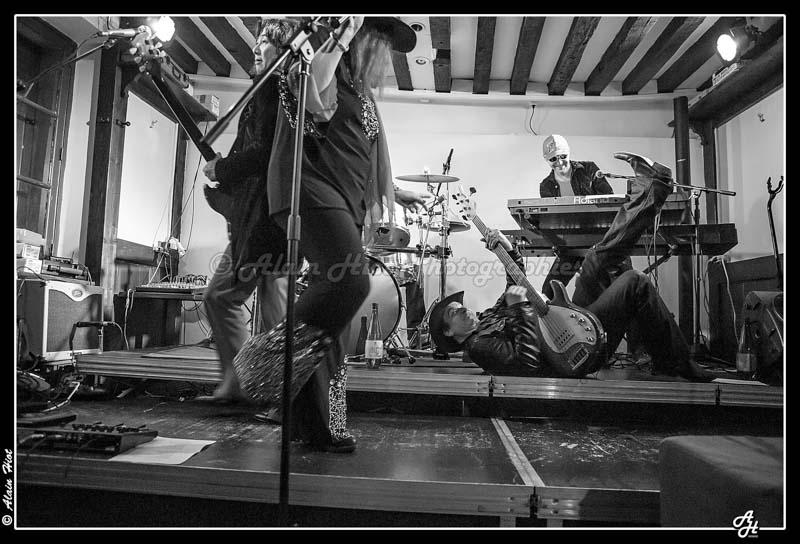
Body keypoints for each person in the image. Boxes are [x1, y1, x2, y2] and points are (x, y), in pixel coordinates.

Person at [233, 17, 418, 453]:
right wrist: (342, 34)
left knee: (334, 322)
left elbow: (357, 150)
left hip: (344, 200)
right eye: (380, 41)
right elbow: (314, 100)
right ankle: (266, 358)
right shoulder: (318, 62)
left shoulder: (359, 90)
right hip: (311, 189)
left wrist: (396, 191)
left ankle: (318, 424)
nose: (384, 54)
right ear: (362, 38)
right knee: (351, 284)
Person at [429, 152, 713, 383]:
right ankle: (679, 364)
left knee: (595, 259)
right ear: (450, 334)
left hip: (568, 323)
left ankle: (652, 189)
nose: (462, 308)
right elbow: (527, 364)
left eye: (458, 306)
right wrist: (518, 310)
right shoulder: (479, 346)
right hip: (573, 352)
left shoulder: (489, 316)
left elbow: (515, 282)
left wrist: (508, 248)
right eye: (453, 312)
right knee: (634, 281)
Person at [200, 20, 297, 404]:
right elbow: (255, 153)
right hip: (262, 218)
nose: (257, 47)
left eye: (267, 41)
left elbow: (267, 153)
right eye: (257, 41)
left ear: (285, 49)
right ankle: (252, 385)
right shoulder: (269, 90)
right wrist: (226, 178)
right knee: (251, 305)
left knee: (242, 303)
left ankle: (262, 388)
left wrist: (223, 169)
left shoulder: (278, 90)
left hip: (266, 221)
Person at [538, 134, 619, 301]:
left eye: (563, 156)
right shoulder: (546, 186)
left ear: (568, 153)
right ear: (546, 160)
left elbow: (610, 200)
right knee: (547, 292)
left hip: (602, 241)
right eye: (553, 159)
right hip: (571, 246)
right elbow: (550, 220)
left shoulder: (588, 169)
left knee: (620, 284)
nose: (559, 162)